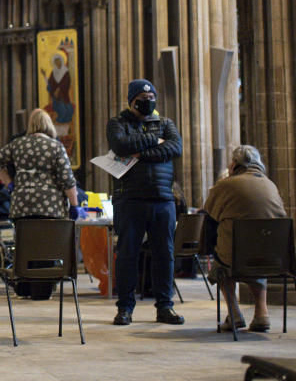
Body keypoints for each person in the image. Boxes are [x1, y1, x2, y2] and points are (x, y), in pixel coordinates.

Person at [107, 79, 184, 326]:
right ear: (132, 99)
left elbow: (175, 148)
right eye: (143, 97)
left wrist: (140, 151)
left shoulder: (166, 124)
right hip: (130, 199)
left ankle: (165, 307)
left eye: (152, 98)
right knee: (128, 254)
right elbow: (120, 145)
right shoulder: (117, 123)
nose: (148, 101)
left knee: (165, 255)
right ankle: (125, 308)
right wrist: (154, 140)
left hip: (163, 199)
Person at [0, 109, 78, 299]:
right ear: (49, 125)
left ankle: (23, 286)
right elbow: (67, 180)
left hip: (22, 203)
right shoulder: (55, 146)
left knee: (24, 244)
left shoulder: (17, 144)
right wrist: (74, 205)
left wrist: (10, 182)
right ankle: (41, 289)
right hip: (49, 205)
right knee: (46, 247)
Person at [201, 145, 287, 332]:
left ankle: (234, 314)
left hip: (236, 257)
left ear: (236, 164)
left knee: (220, 265)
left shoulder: (227, 184)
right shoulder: (270, 184)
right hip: (273, 257)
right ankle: (261, 313)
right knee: (257, 253)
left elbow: (210, 211)